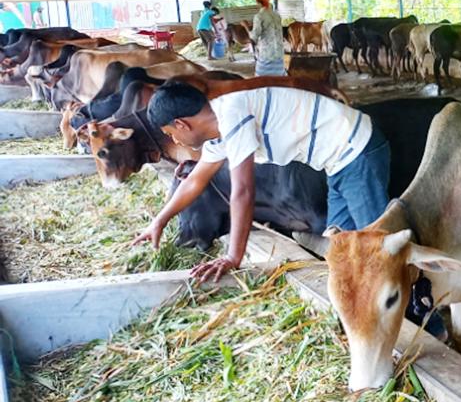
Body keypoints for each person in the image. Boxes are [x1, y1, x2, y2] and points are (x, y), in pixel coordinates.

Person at [132, 81, 390, 283]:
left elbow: (243, 191)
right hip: (336, 163)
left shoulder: (232, 115)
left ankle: (420, 313)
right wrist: (159, 221)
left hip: (356, 151)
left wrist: (233, 257)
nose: (175, 142)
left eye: (171, 134)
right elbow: (194, 182)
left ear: (181, 124)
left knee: (379, 245)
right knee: (341, 250)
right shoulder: (218, 133)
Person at [249, 0, 286, 76]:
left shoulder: (259, 16)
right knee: (279, 81)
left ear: (258, 2)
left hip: (266, 55)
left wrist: (245, 26)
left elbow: (253, 38)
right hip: (279, 55)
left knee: (261, 82)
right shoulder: (277, 15)